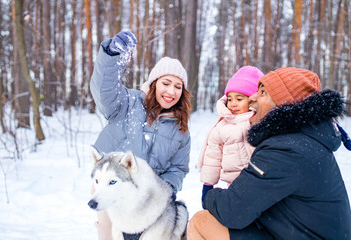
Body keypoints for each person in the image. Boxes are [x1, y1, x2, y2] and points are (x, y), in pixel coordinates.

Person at [188, 67, 351, 239]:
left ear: (284, 103)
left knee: (201, 221)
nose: (252, 97)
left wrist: (209, 195)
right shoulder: (303, 140)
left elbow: (233, 211)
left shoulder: (286, 149)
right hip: (295, 232)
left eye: (263, 92)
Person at [90, 31, 192, 240]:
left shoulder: (181, 129)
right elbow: (103, 91)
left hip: (149, 197)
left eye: (178, 86)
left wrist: (167, 189)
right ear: (154, 83)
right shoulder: (129, 103)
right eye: (166, 83)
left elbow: (178, 168)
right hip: (112, 183)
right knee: (108, 234)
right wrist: (111, 55)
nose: (171, 91)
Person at [198, 66, 264, 203]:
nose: (233, 104)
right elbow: (213, 157)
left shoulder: (259, 120)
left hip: (260, 183)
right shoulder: (223, 125)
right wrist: (208, 185)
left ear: (252, 100)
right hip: (233, 184)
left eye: (239, 99)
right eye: (230, 99)